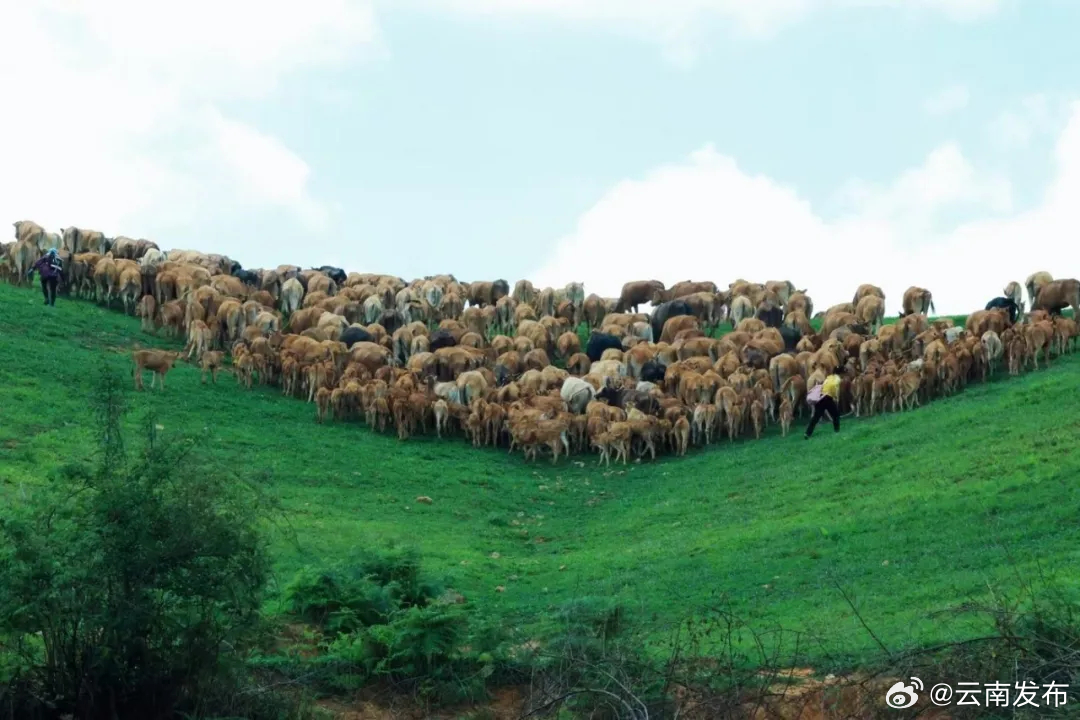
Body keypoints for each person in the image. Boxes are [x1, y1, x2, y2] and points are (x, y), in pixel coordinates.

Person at [805, 368, 842, 439]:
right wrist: (836, 397)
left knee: (815, 417)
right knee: (835, 415)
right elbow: (835, 386)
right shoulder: (837, 378)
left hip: (820, 397)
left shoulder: (829, 377)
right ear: (840, 373)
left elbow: (823, 384)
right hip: (827, 398)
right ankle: (837, 431)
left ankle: (807, 433)